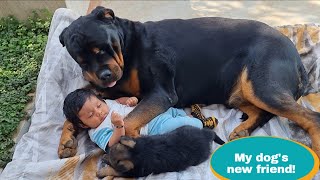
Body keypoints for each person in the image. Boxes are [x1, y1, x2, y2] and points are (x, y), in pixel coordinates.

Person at [63, 88, 217, 151]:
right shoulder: (97, 132)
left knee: (173, 111)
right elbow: (111, 145)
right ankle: (201, 123)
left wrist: (131, 100)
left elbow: (120, 101)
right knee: (178, 124)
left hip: (149, 112)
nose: (99, 112)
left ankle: (189, 115)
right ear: (83, 124)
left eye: (98, 105)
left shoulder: (107, 104)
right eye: (90, 115)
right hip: (151, 128)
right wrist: (118, 127)